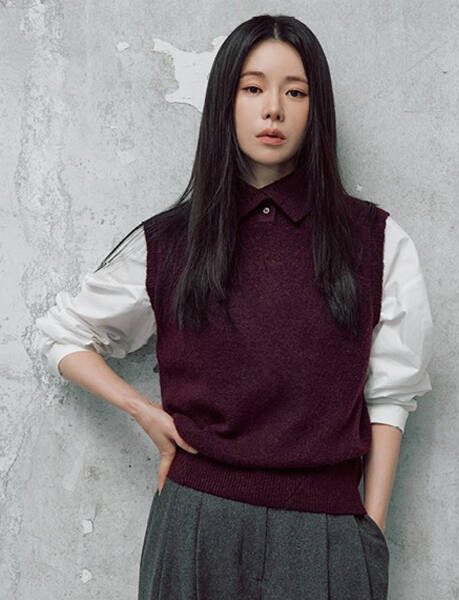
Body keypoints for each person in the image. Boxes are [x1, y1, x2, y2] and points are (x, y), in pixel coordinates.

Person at [35, 14, 434, 600]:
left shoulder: (374, 239)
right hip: (195, 525)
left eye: (295, 92)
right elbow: (63, 335)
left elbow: (393, 395)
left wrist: (369, 532)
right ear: (226, 101)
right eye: (253, 88)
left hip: (326, 532)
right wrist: (145, 413)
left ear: (316, 110)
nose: (273, 109)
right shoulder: (172, 241)